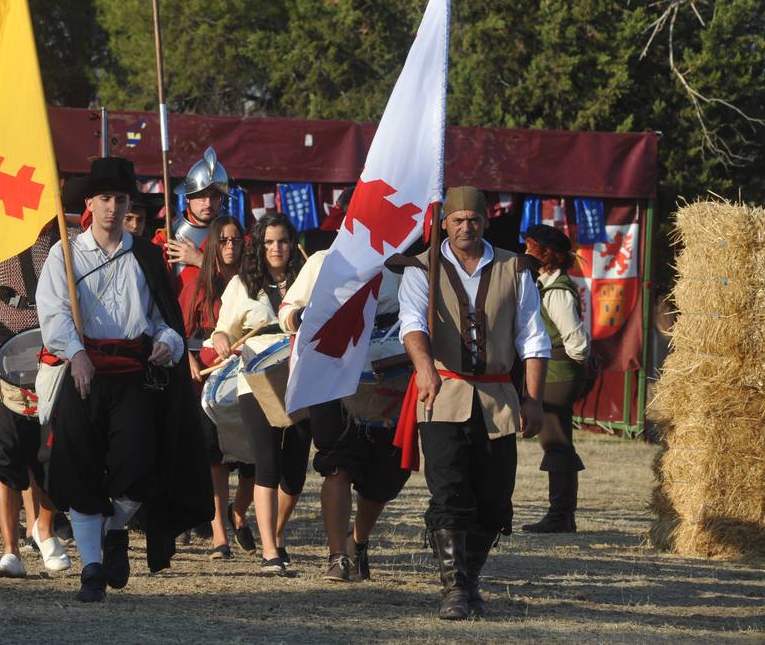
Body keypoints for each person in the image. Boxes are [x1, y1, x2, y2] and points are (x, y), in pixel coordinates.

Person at [37, 156, 211, 603]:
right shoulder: (65, 253)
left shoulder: (146, 255)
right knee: (80, 469)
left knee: (137, 467)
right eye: (105, 198)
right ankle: (91, 570)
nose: (112, 207)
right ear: (89, 204)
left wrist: (167, 344)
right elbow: (54, 315)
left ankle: (114, 529)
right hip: (83, 373)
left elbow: (164, 320)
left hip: (134, 376)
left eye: (120, 199)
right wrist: (76, 355)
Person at [394, 186, 550, 620]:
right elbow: (411, 323)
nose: (466, 227)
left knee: (495, 499)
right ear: (443, 223)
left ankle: (471, 577)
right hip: (442, 394)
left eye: (474, 219)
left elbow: (533, 337)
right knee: (450, 493)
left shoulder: (514, 267)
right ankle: (455, 589)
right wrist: (424, 366)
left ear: (486, 221)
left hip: (498, 398)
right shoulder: (421, 268)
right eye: (458, 220)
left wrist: (533, 398)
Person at [280, 244, 410, 582]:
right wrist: (305, 316)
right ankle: (337, 555)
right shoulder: (324, 261)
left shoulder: (404, 264)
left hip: (388, 377)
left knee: (387, 475)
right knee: (338, 463)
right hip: (332, 372)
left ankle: (358, 541)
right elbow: (287, 312)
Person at [0, 221, 72, 579]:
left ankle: (44, 528)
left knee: (54, 455)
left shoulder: (65, 237)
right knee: (5, 456)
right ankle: (11, 551)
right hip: (6, 358)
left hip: (55, 356)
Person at [210, 212, 308, 576]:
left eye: (282, 241)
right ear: (259, 246)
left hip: (300, 380)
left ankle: (276, 534)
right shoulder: (242, 285)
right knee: (267, 462)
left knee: (294, 472)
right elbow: (222, 330)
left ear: (291, 243)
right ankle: (269, 552)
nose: (276, 248)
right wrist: (222, 340)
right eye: (268, 242)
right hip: (255, 380)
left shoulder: (306, 281)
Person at [182, 214, 256, 559]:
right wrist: (189, 359)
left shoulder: (253, 282)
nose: (230, 246)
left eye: (236, 240)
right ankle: (219, 536)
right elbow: (179, 329)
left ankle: (237, 512)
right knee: (216, 460)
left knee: (255, 460)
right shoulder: (197, 281)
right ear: (213, 244)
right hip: (210, 378)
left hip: (248, 374)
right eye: (223, 240)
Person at [520, 223, 590, 534]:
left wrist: (569, 365)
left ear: (545, 254)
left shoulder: (557, 291)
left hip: (557, 375)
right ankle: (562, 514)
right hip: (555, 373)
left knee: (556, 443)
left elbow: (578, 343)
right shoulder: (546, 285)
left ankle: (561, 515)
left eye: (530, 246)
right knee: (555, 442)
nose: (525, 251)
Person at [154, 147, 229, 295]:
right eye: (201, 196)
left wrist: (200, 260)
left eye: (214, 196)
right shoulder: (166, 237)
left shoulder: (234, 236)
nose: (208, 203)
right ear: (188, 197)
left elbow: (240, 283)